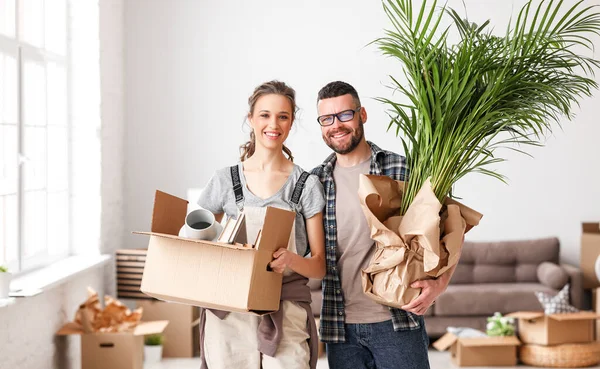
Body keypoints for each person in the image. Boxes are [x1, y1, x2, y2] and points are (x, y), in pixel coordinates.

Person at [311, 81, 458, 369]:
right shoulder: (315, 182)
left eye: (345, 115)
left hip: (397, 322)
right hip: (341, 329)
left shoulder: (401, 169)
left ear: (362, 114)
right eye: (327, 119)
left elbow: (451, 226)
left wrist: (440, 284)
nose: (336, 125)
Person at [197, 80, 326, 369]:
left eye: (283, 116)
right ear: (251, 119)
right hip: (229, 309)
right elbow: (198, 247)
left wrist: (291, 259)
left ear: (291, 122)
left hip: (286, 307)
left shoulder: (306, 186)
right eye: (265, 115)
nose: (274, 124)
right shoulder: (224, 181)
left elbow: (319, 265)